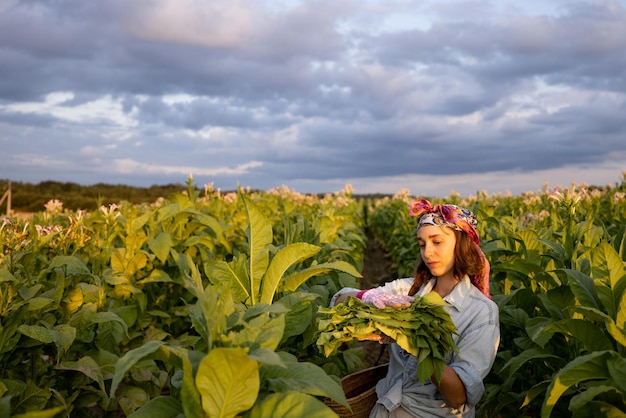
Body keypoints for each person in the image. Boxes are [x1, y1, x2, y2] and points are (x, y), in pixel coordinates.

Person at [331, 198, 500, 418]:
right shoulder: (409, 290)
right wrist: (370, 296)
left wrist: (413, 339)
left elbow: (458, 396)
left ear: (462, 243)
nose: (427, 253)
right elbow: (338, 301)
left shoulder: (481, 312)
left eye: (437, 242)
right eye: (422, 244)